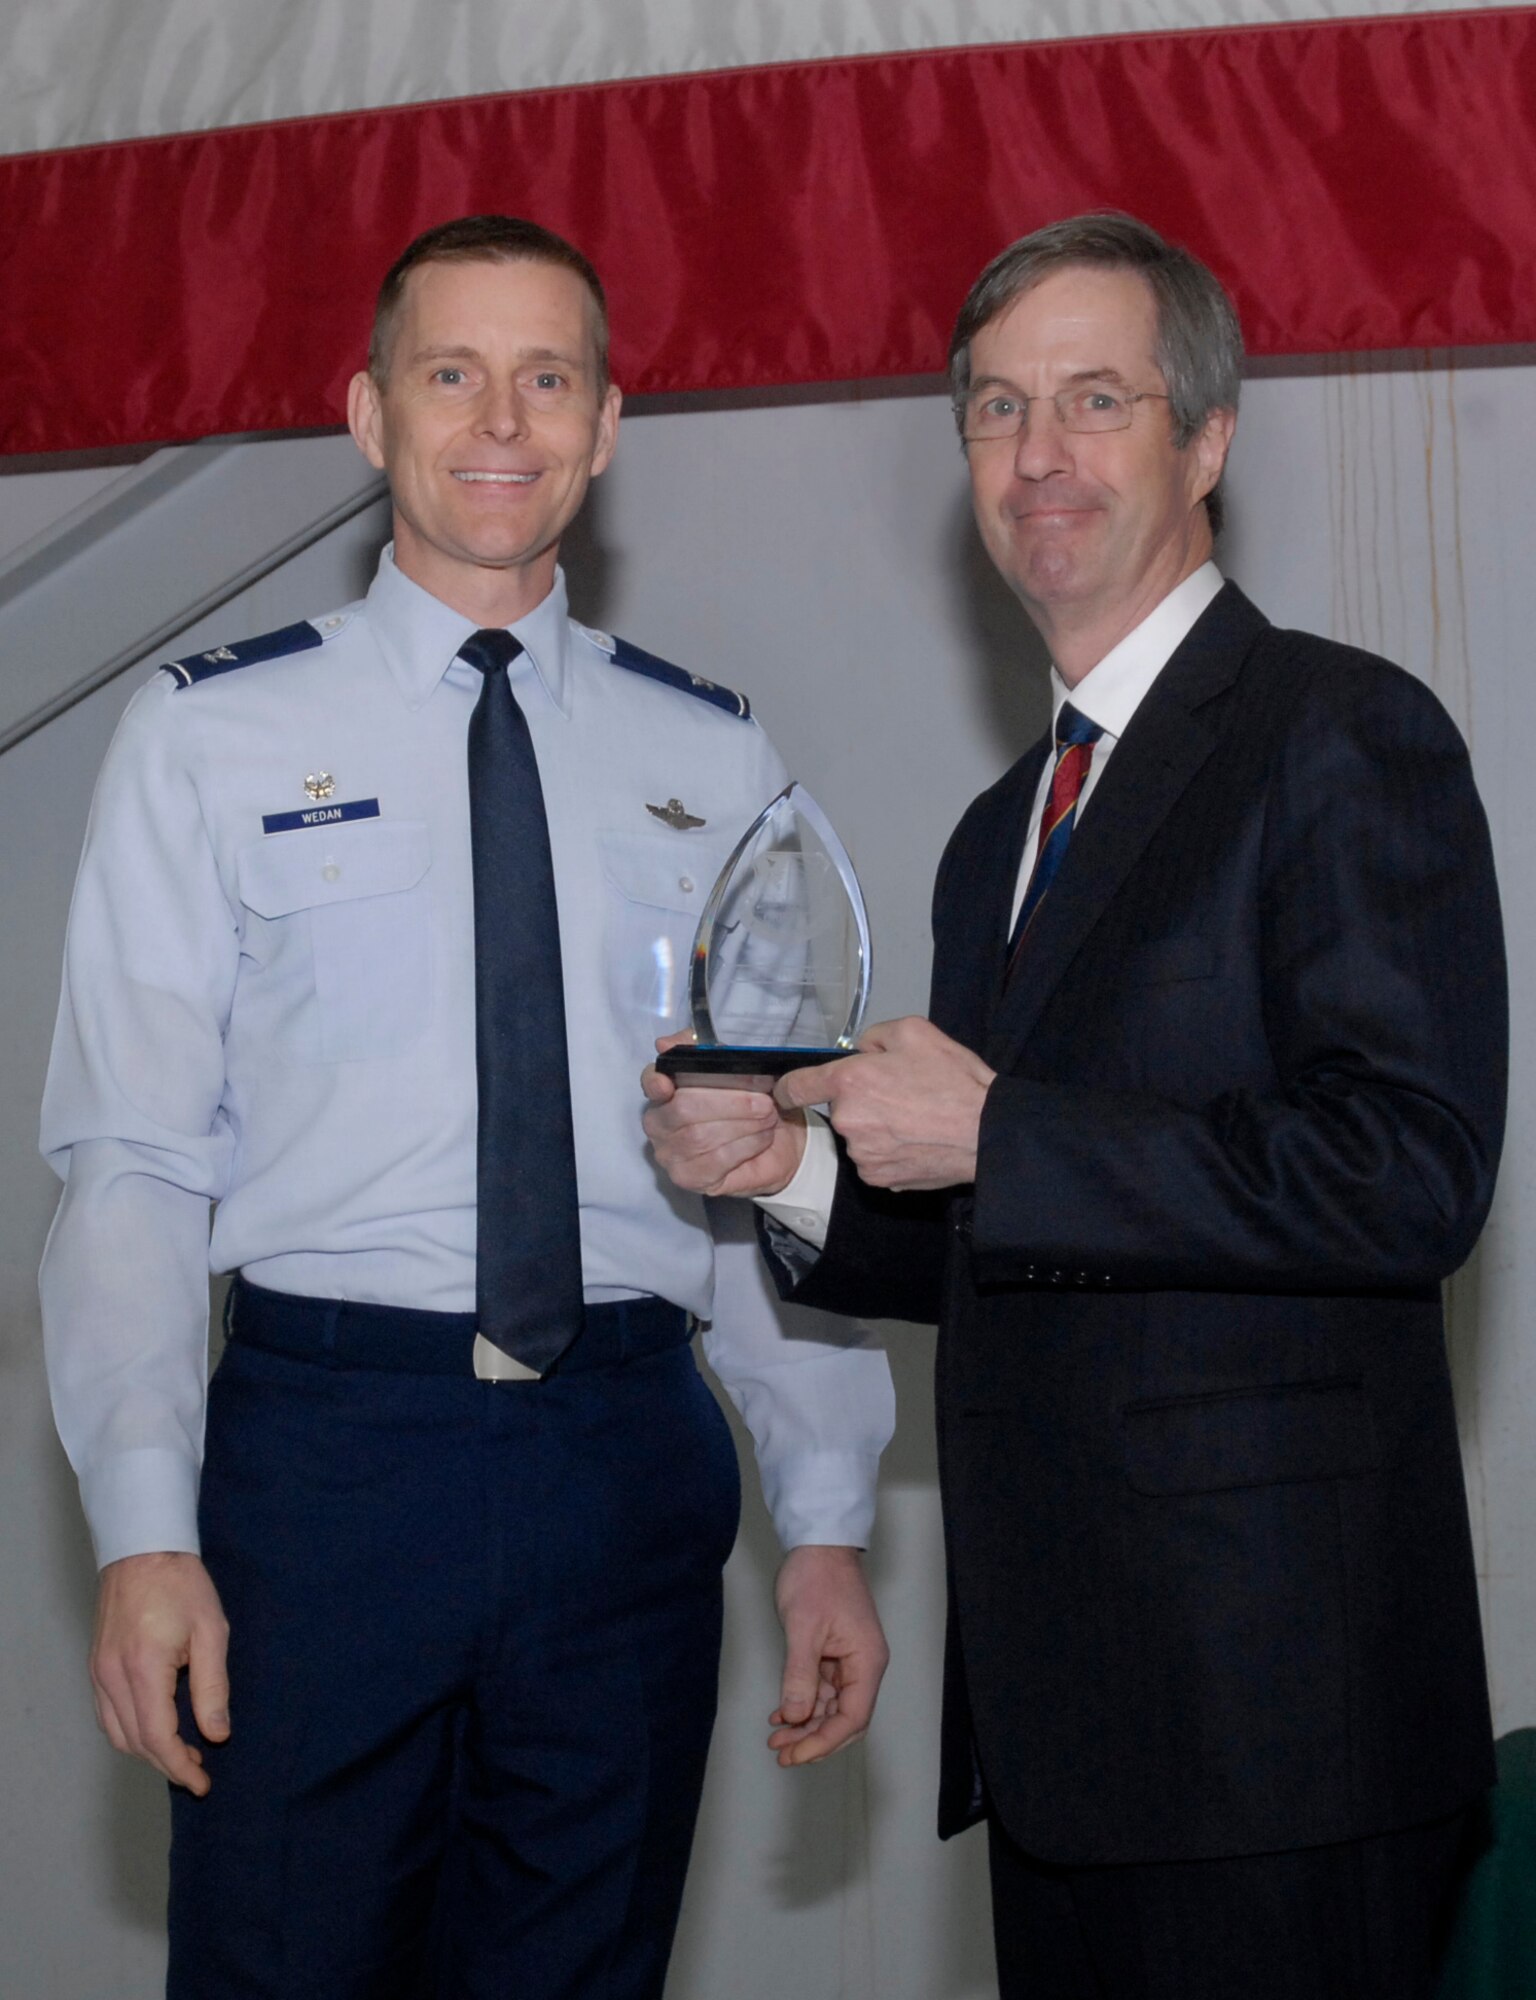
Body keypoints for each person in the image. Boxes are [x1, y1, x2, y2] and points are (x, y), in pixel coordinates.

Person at [643, 212, 1504, 1999]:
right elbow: (1010, 1233)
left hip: (1287, 1732)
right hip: (1064, 1732)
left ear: (1205, 440)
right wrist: (795, 1173)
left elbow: (1412, 1173)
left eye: (1095, 401)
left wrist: (1000, 1134)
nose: (1039, 455)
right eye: (995, 410)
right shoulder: (995, 835)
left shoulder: (1342, 732)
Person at [40, 214, 893, 2000]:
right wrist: (143, 1527)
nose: (500, 418)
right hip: (324, 1468)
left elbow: (759, 1170)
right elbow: (128, 1163)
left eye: (548, 377)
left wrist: (822, 1519)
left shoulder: (714, 757)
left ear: (602, 427)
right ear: (369, 415)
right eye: (452, 372)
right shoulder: (208, 739)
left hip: (624, 1472)